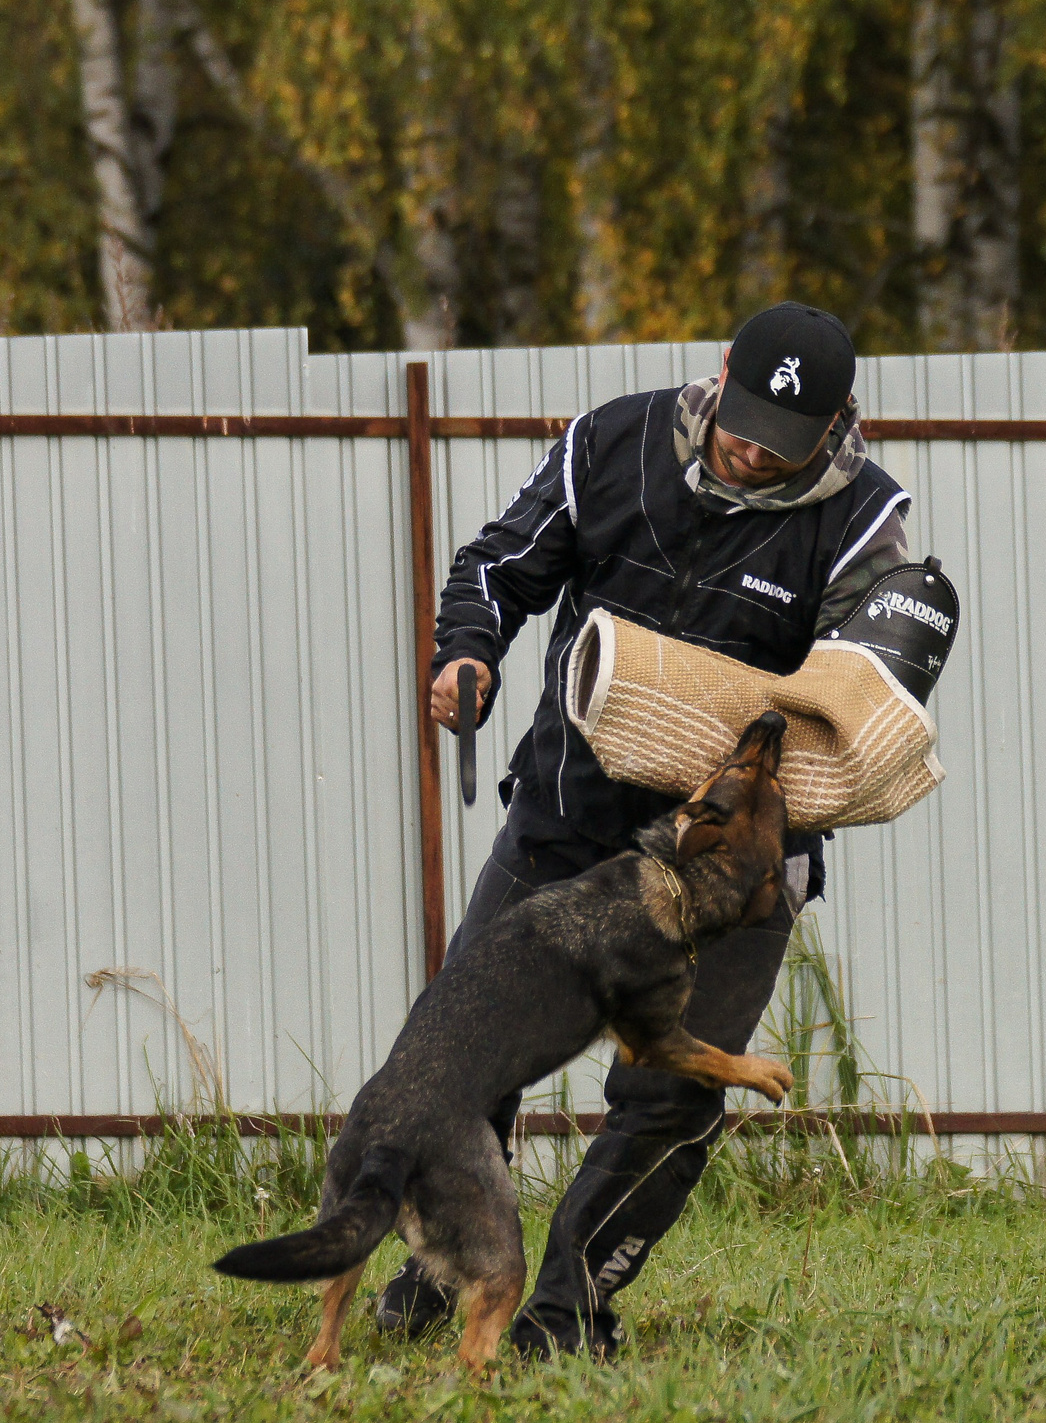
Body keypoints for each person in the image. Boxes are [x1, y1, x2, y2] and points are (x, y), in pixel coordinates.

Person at [380, 301, 915, 1357]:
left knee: (669, 1094)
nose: (754, 447)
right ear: (721, 372)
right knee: (460, 1060)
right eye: (744, 416)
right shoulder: (609, 443)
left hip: (732, 873)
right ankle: (451, 1264)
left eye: (786, 438)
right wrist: (468, 654)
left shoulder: (865, 523)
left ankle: (565, 1313)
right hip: (566, 825)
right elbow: (496, 566)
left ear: (839, 422)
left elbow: (873, 690)